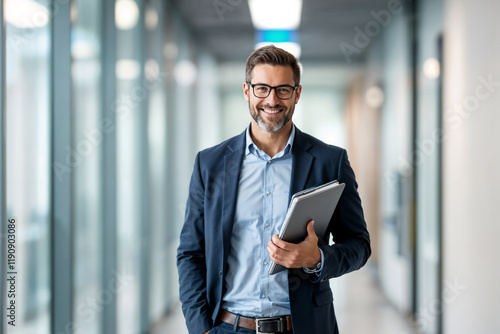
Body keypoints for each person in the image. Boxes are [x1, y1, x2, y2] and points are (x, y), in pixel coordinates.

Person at [177, 45, 371, 334]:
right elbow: (191, 253)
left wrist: (317, 259)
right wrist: (200, 328)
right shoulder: (211, 164)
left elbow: (358, 245)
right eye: (262, 88)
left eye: (283, 90)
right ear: (246, 91)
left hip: (304, 327)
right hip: (229, 327)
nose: (272, 99)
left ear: (297, 93)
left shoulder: (330, 162)